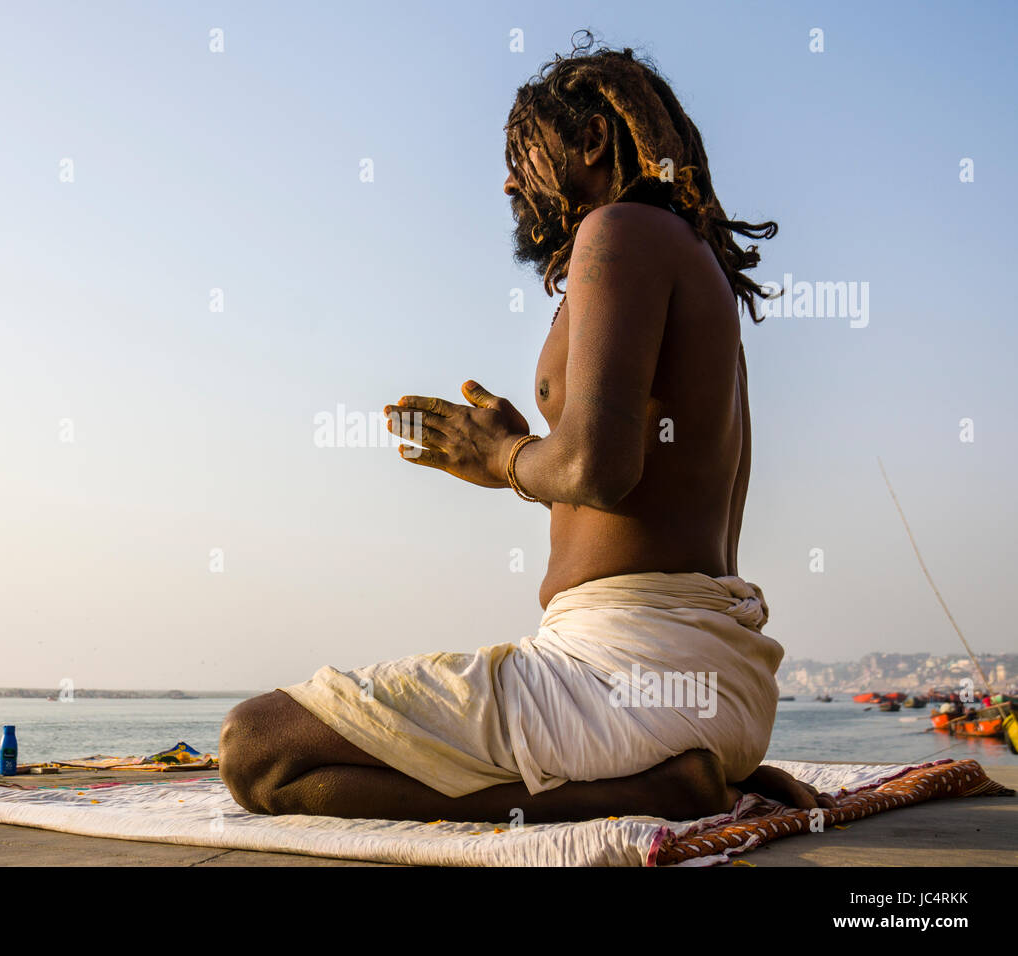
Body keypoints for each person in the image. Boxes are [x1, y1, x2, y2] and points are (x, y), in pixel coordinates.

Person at [220, 33, 835, 823]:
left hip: (627, 678)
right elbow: (628, 491)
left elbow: (597, 472)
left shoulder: (618, 231)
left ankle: (647, 790)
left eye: (526, 150)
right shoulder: (683, 256)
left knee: (256, 750)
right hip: (709, 682)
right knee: (285, 757)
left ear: (591, 139)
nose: (509, 178)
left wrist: (506, 453)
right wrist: (520, 464)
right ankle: (673, 776)